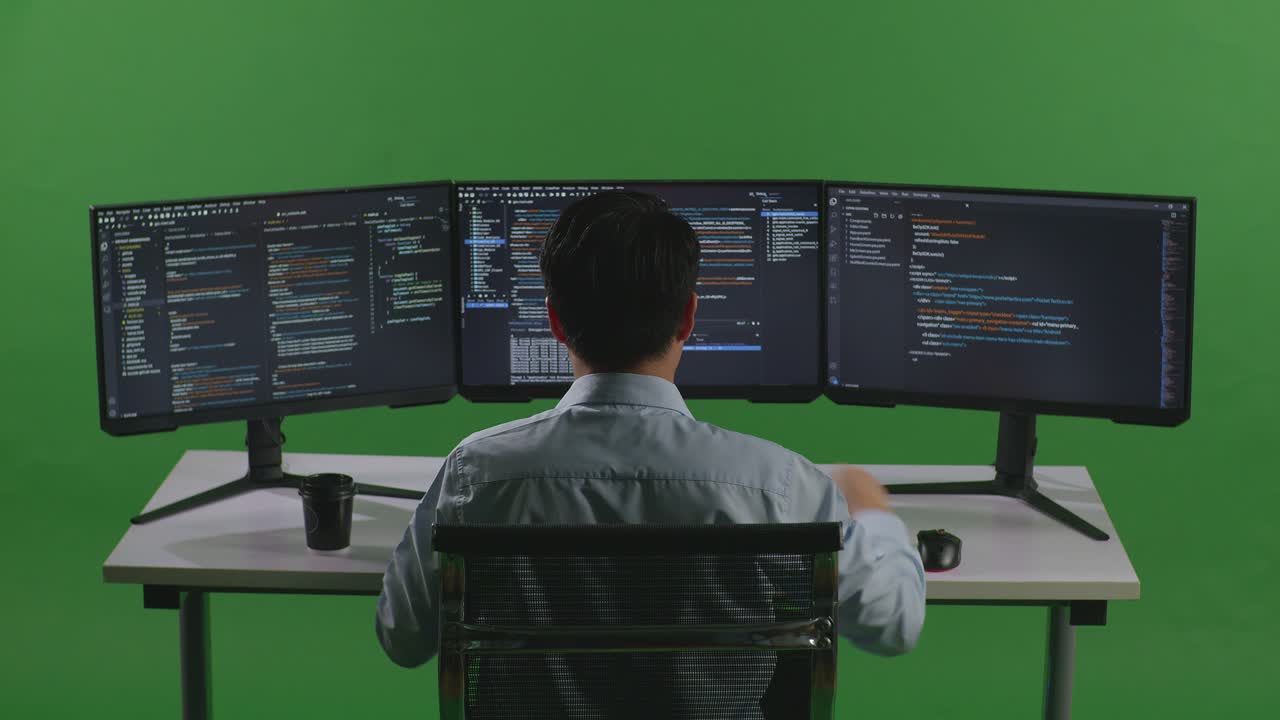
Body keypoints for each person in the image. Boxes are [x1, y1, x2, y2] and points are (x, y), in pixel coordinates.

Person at [376, 190, 925, 676]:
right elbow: (893, 624)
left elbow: (404, 639)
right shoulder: (780, 486)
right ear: (688, 318)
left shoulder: (477, 473)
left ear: (555, 322)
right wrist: (873, 515)